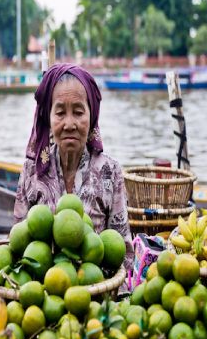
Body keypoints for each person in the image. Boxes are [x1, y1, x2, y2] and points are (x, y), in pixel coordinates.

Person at [14, 63, 133, 269]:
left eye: (78, 112)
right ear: (49, 118)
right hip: (42, 293)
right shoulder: (31, 172)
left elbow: (124, 254)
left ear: (91, 116)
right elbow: (17, 246)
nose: (69, 124)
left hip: (97, 291)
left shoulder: (110, 172)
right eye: (60, 113)